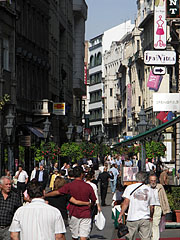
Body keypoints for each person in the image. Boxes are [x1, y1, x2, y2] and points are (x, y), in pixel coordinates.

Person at [45, 166, 96, 240]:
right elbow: (93, 199)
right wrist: (91, 205)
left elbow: (58, 192)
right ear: (82, 174)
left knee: (74, 236)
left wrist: (45, 195)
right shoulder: (88, 186)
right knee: (83, 236)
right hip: (85, 212)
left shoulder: (69, 186)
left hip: (73, 212)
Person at [118, 171, 156, 240]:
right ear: (145, 179)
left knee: (130, 237)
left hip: (132, 217)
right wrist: (151, 216)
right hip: (145, 218)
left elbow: (126, 202)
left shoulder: (129, 188)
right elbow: (152, 206)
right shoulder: (149, 190)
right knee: (146, 238)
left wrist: (121, 214)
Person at [149, 174, 171, 240]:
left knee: (156, 224)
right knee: (149, 224)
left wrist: (166, 209)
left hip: (158, 207)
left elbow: (164, 197)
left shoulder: (160, 187)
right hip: (148, 208)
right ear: (149, 181)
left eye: (154, 180)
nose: (153, 182)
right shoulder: (146, 187)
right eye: (151, 180)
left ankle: (155, 238)